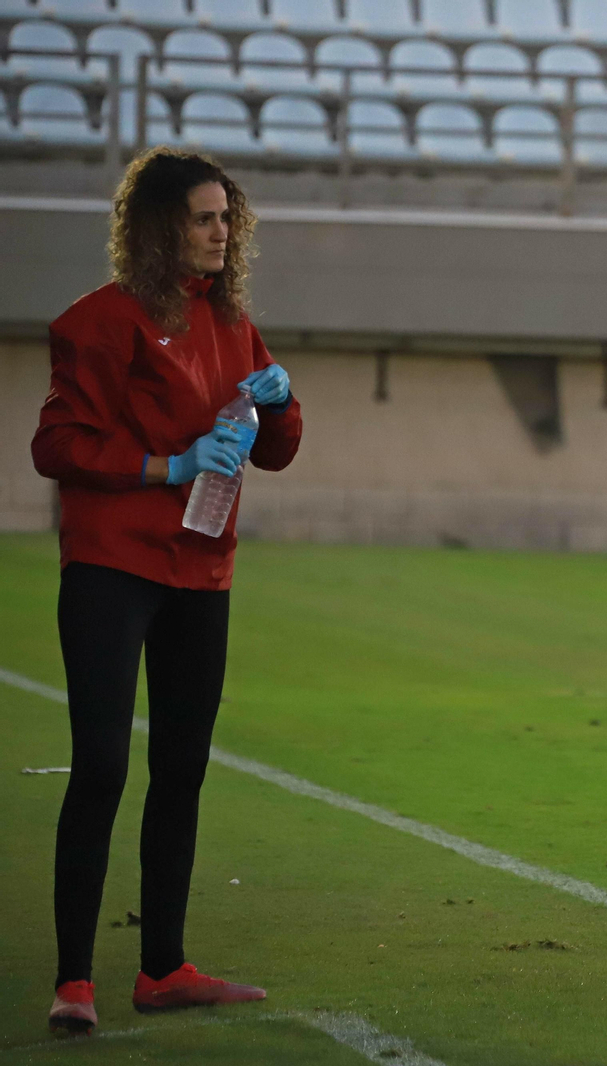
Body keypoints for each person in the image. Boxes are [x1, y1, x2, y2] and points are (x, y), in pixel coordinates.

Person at [32, 148, 302, 1036]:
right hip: (114, 565)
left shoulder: (232, 323)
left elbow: (275, 450)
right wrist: (167, 465)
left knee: (181, 766)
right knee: (105, 765)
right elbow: (58, 447)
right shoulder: (96, 323)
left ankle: (163, 968)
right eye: (204, 217)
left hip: (203, 567)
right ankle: (75, 981)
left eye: (228, 216)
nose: (223, 231)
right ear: (157, 227)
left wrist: (285, 399)